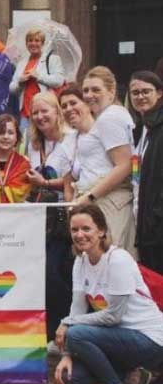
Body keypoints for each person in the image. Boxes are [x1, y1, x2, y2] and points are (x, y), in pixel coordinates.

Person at [54, 204, 163, 384]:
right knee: (71, 377)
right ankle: (133, 375)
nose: (79, 235)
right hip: (121, 339)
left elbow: (114, 316)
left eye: (86, 228)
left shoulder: (118, 259)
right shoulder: (81, 261)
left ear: (102, 230)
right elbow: (76, 310)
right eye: (74, 230)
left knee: (77, 333)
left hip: (150, 339)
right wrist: (66, 354)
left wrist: (68, 323)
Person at [65, 68, 136, 256]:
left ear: (112, 91)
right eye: (86, 90)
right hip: (104, 200)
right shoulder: (109, 115)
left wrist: (89, 197)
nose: (89, 95)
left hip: (109, 202)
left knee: (109, 264)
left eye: (96, 90)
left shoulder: (110, 117)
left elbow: (125, 165)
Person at [26, 91, 76, 345]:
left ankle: (64, 328)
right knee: (42, 274)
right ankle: (47, 332)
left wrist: (45, 182)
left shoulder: (71, 139)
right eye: (35, 112)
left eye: (45, 110)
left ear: (57, 111)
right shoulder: (33, 143)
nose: (40, 116)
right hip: (39, 218)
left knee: (56, 273)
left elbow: (73, 178)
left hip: (63, 218)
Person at [129, 71, 163, 275]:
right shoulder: (142, 127)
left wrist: (157, 217)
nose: (140, 96)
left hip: (156, 222)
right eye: (135, 92)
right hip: (143, 218)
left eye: (146, 91)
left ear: (159, 93)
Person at [9, 28, 65, 132]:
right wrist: (20, 82)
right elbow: (12, 88)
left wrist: (38, 77)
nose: (33, 43)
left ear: (42, 43)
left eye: (37, 40)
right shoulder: (21, 63)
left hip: (45, 113)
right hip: (25, 114)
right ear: (26, 44)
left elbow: (59, 81)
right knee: (25, 147)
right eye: (30, 40)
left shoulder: (53, 59)